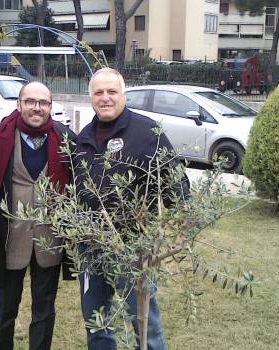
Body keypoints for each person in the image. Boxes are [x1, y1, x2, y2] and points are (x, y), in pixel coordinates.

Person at [74, 67, 190, 350]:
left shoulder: (146, 131)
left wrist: (183, 219)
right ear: (90, 97)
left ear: (123, 94)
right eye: (98, 92)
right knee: (97, 320)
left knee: (144, 323)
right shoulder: (83, 138)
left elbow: (175, 181)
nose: (105, 98)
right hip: (91, 248)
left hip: (134, 247)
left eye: (111, 91)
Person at [0, 81, 74, 350]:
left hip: (50, 240)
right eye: (30, 102)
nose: (37, 108)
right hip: (10, 239)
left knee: (44, 311)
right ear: (19, 104)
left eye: (43, 103)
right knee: (5, 310)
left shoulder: (66, 139)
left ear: (50, 106)